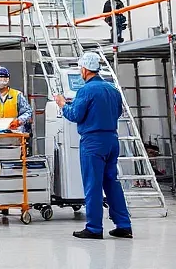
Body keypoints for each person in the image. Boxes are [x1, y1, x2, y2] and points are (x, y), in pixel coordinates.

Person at [56, 51, 132, 240]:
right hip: (112, 140)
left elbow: (75, 115)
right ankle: (124, 224)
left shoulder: (86, 90)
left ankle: (94, 228)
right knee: (111, 182)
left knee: (93, 184)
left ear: (84, 69)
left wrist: (62, 105)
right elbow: (117, 112)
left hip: (93, 142)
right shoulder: (112, 89)